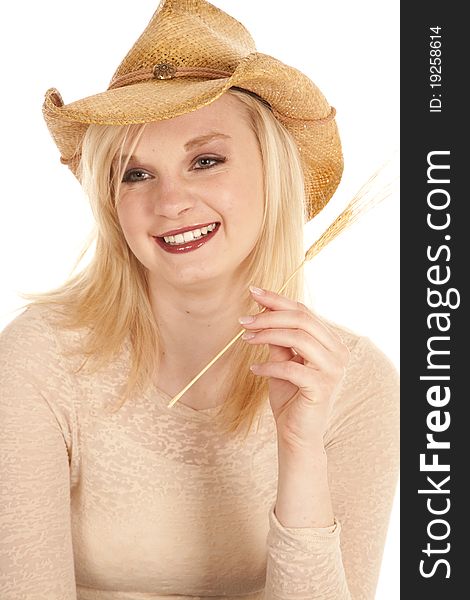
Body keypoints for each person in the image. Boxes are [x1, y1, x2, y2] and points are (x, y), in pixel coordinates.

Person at [0, 1, 399, 598]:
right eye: (136, 174)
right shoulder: (39, 361)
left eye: (205, 161)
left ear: (273, 171)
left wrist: (300, 450)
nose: (170, 203)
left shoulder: (354, 383)